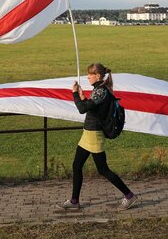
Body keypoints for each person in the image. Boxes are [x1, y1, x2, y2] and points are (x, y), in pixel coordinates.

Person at [57, 63, 138, 211]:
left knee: (103, 170)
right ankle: (74, 200)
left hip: (94, 135)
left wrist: (75, 93)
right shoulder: (100, 89)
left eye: (90, 74)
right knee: (77, 165)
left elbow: (82, 109)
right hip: (88, 134)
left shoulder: (100, 91)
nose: (87, 77)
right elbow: (90, 106)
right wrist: (82, 97)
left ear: (98, 76)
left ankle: (129, 195)